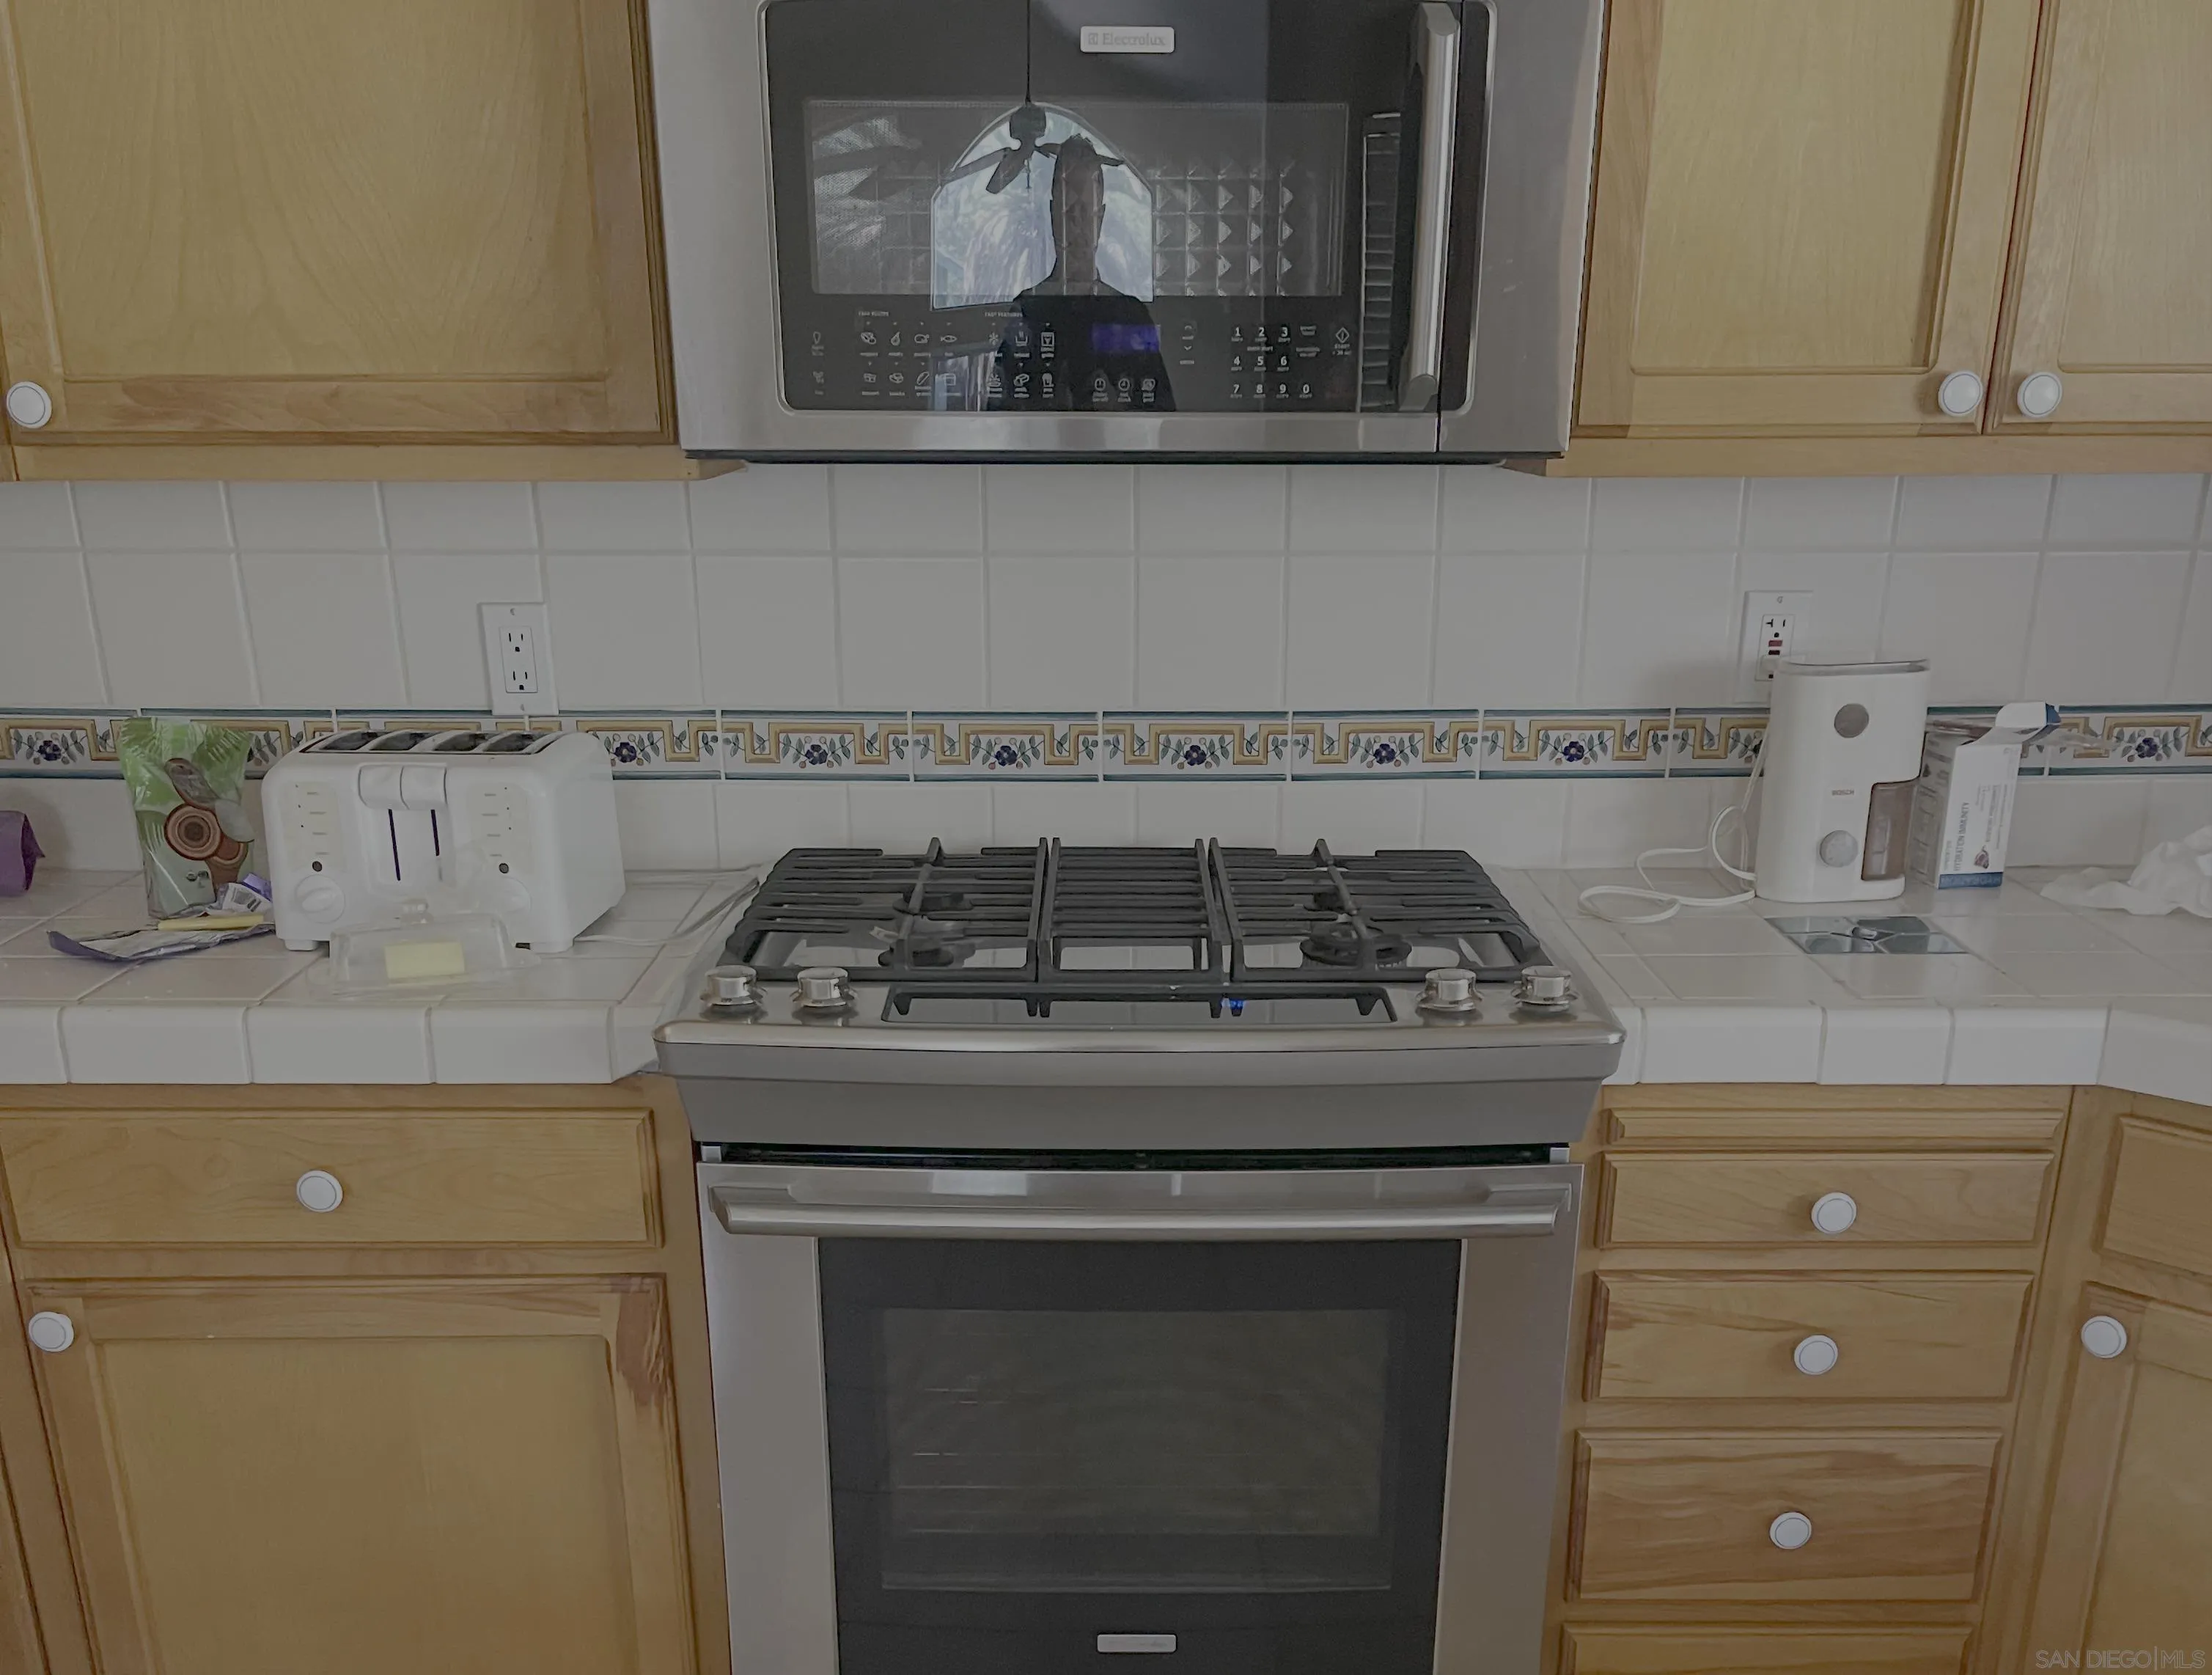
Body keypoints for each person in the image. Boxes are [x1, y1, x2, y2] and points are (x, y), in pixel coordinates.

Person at [992, 135, 1175, 411]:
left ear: (1099, 219)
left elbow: (1163, 421)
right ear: (1053, 216)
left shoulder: (1130, 315)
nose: (1076, 224)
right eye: (1068, 211)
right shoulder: (1026, 311)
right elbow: (999, 418)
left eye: (1084, 212)